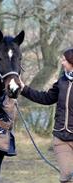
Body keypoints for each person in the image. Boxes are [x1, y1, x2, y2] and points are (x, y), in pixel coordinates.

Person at [20, 48, 73, 183]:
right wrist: (23, 88)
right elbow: (46, 98)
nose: (62, 62)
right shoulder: (62, 82)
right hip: (61, 139)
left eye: (64, 60)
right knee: (66, 177)